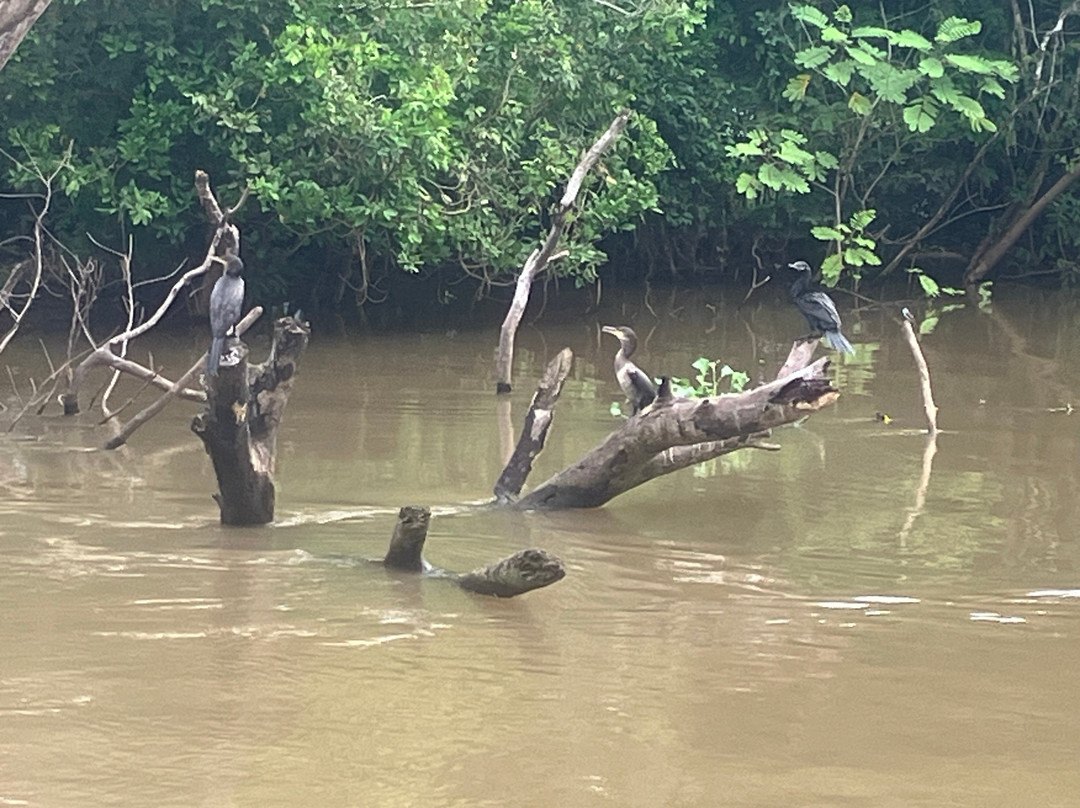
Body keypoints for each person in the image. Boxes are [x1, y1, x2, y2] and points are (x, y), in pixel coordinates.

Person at [788, 260, 854, 354]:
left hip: (828, 325)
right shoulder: (816, 296)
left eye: (798, 267)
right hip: (829, 324)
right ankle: (814, 336)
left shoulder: (803, 299)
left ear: (804, 271)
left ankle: (814, 335)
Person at [601, 325, 657, 414]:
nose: (613, 331)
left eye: (618, 331)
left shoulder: (631, 371)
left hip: (645, 404)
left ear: (627, 340)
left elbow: (647, 394)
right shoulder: (624, 366)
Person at [207, 251, 245, 376]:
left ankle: (213, 366)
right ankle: (214, 367)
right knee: (220, 338)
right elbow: (235, 313)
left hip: (217, 325)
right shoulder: (239, 285)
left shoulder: (220, 282)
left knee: (218, 339)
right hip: (224, 326)